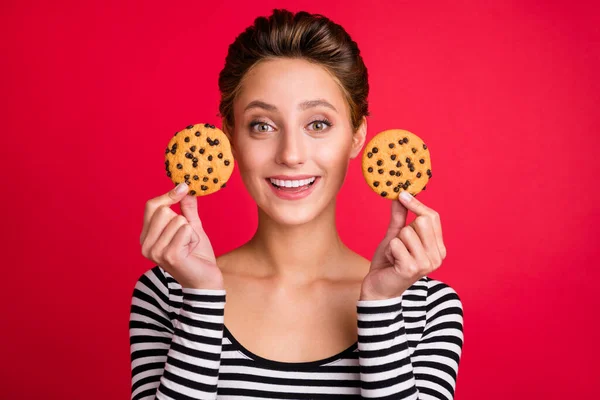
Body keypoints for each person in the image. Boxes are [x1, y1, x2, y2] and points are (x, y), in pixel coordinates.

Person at [130, 8, 464, 400]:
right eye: (263, 125)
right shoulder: (169, 292)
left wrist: (380, 308)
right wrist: (202, 299)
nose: (290, 154)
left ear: (357, 136)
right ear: (231, 138)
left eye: (318, 124)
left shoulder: (427, 308)